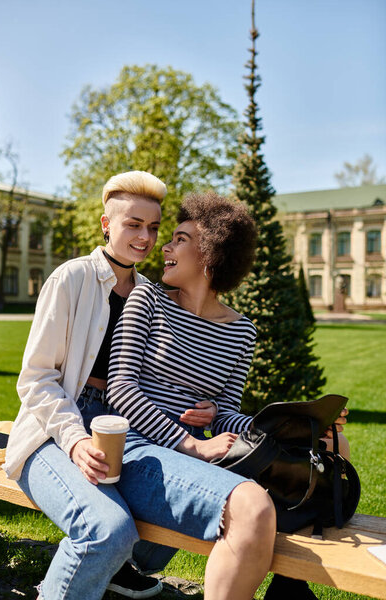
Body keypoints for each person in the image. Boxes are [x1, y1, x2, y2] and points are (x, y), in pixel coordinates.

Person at [100, 191, 348, 600]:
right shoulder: (147, 300)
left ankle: (289, 588)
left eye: (180, 239)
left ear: (211, 254)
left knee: (329, 447)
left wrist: (286, 426)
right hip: (140, 451)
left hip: (202, 453)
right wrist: (192, 444)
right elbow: (121, 391)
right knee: (252, 507)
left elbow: (228, 412)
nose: (165, 245)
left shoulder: (241, 331)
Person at [3, 171, 217, 600]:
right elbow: (36, 378)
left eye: (154, 227)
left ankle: (117, 570)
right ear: (106, 224)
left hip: (124, 424)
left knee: (186, 505)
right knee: (107, 528)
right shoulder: (71, 279)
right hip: (53, 426)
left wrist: (206, 409)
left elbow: (167, 375)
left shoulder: (153, 295)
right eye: (133, 224)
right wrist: (76, 440)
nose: (145, 237)